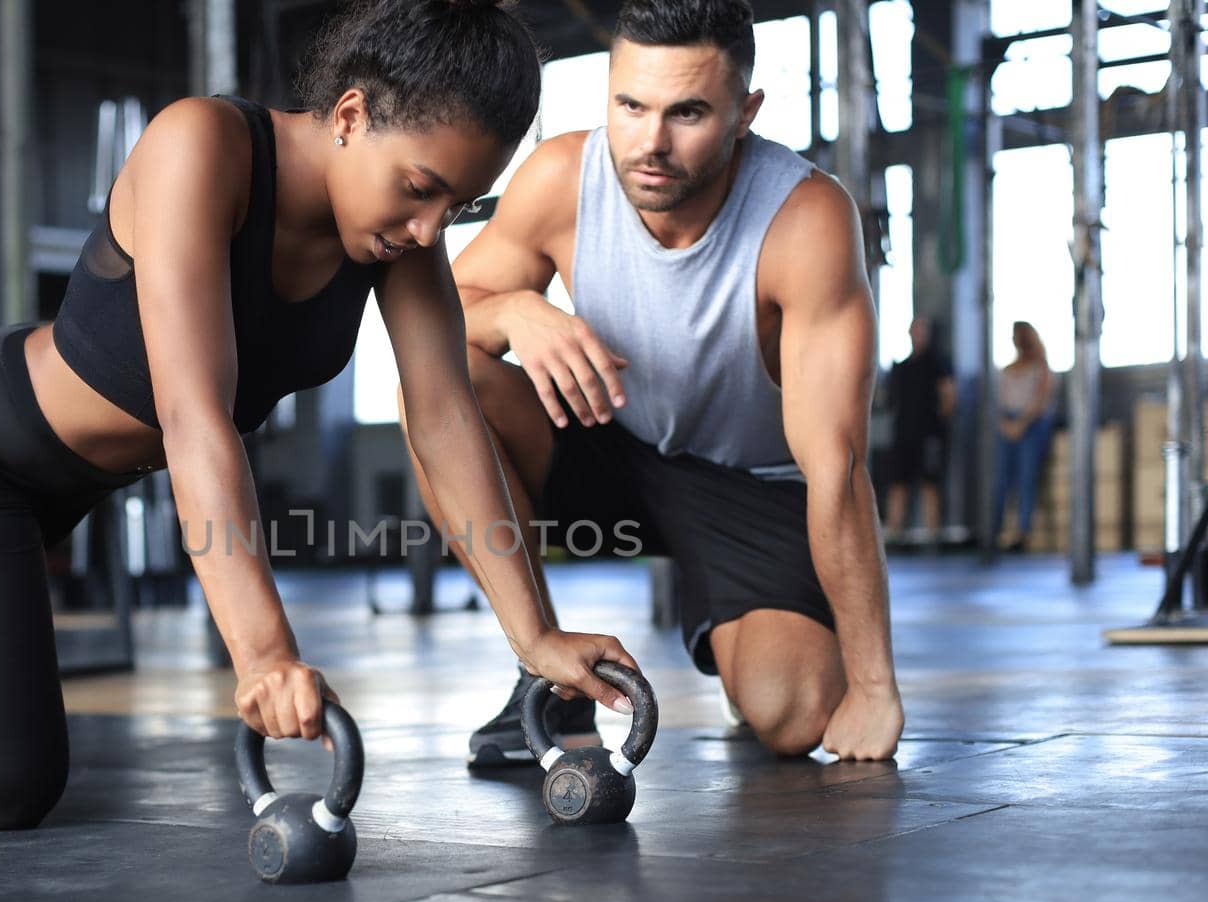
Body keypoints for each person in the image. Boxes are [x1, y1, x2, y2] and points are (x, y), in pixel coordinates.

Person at [0, 0, 643, 829]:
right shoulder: (203, 145)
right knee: (4, 785)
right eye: (421, 189)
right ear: (349, 114)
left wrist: (536, 637)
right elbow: (194, 419)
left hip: (73, 476)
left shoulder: (400, 242)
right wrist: (263, 652)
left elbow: (444, 419)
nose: (430, 228)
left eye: (458, 205)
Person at [399, 0, 903, 763]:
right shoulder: (563, 178)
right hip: (614, 440)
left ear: (745, 112)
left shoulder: (805, 220)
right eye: (630, 105)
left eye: (688, 112)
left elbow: (839, 467)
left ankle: (733, 623)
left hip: (753, 488)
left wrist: (873, 686)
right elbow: (436, 322)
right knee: (443, 379)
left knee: (793, 710)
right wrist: (513, 311)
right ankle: (547, 680)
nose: (651, 142)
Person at [883, 316, 956, 545]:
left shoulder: (937, 363)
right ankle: (894, 532)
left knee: (929, 482)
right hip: (904, 433)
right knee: (898, 482)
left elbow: (948, 394)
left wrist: (938, 423)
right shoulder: (902, 367)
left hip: (929, 434)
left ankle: (932, 534)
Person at [990, 320, 1055, 552]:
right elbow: (997, 403)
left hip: (1031, 424)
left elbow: (1041, 400)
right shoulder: (1008, 370)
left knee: (1027, 478)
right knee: (1000, 480)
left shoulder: (1041, 368)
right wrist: (1006, 424)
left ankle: (1022, 533)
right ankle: (993, 532)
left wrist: (1021, 423)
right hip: (1007, 423)